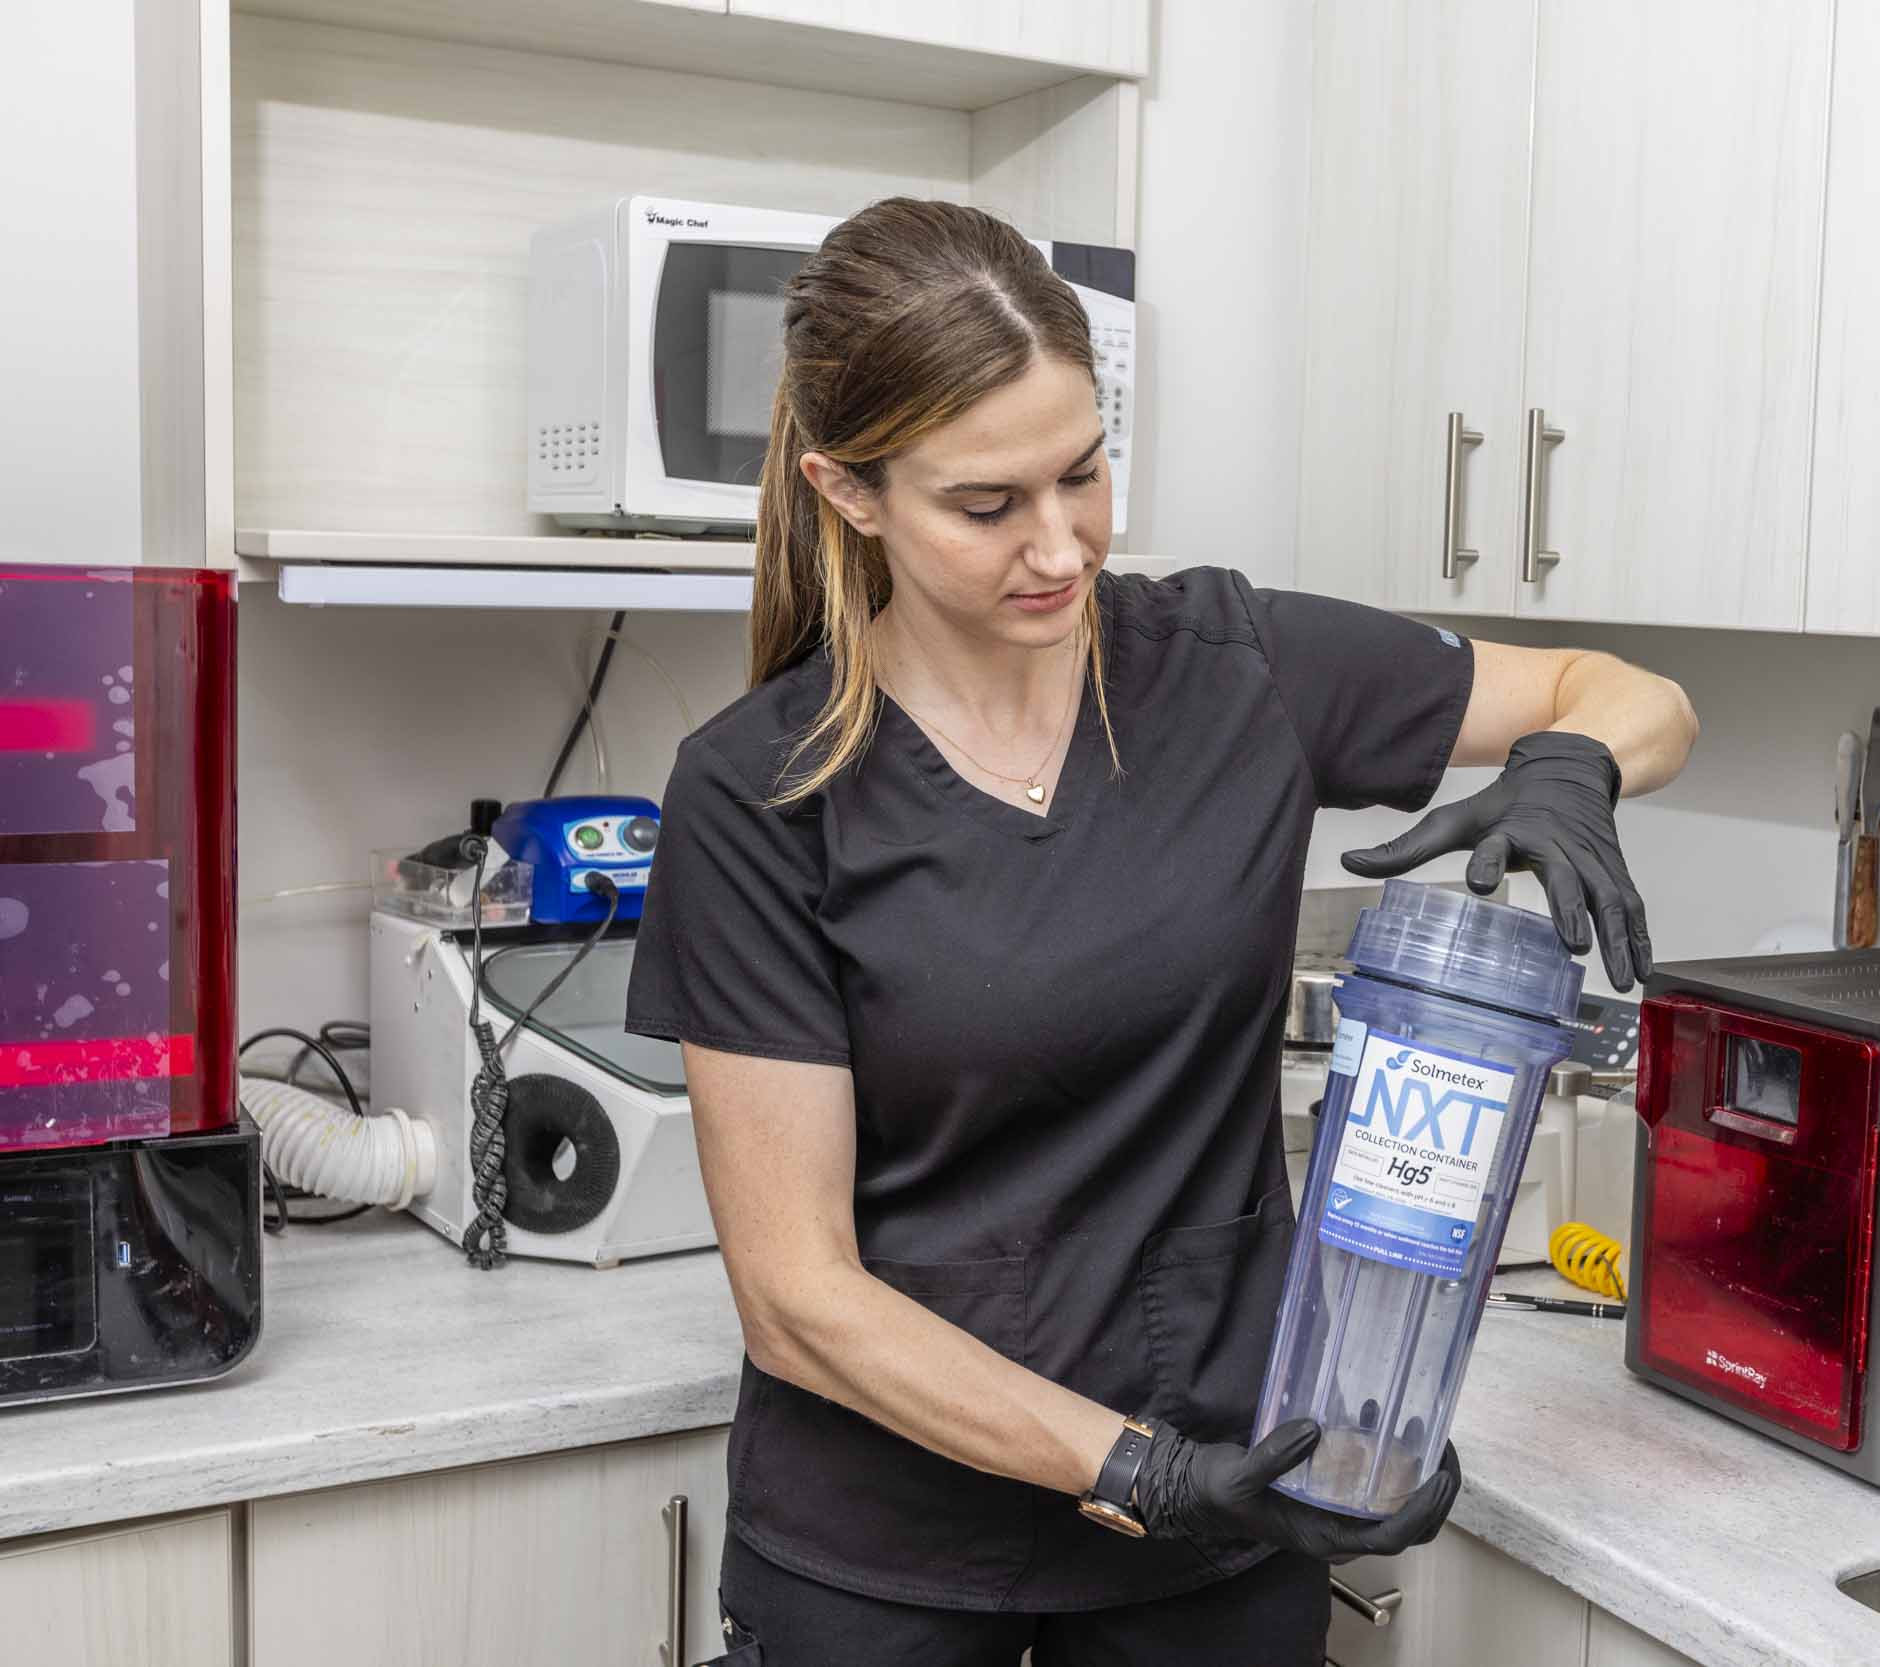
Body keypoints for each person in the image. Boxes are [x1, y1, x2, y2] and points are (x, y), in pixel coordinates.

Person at [624, 197, 1697, 1667]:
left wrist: (1573, 766)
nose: (1059, 546)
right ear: (850, 491)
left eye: (1084, 472)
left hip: (1221, 1543)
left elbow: (1626, 690)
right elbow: (798, 1299)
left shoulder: (1231, 669)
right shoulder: (764, 790)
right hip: (890, 1567)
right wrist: (1142, 1471)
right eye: (987, 504)